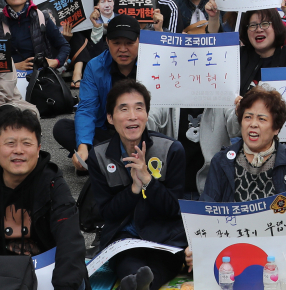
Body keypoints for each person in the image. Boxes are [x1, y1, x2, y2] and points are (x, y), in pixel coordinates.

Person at [192, 87, 286, 267]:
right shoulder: (221, 161)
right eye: (248, 117)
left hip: (277, 256)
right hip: (231, 253)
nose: (253, 124)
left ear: (276, 128)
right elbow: (207, 208)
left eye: (262, 119)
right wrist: (197, 243)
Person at [87, 80, 186, 290]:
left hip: (164, 234)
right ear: (110, 118)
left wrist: (148, 181)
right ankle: (136, 284)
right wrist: (133, 189)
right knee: (126, 260)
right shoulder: (98, 156)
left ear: (147, 115)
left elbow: (176, 210)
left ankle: (142, 286)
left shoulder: (171, 149)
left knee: (165, 261)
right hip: (124, 234)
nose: (132, 116)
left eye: (139, 108)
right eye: (124, 109)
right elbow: (107, 213)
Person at [0, 104, 87, 285]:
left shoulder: (52, 182)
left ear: (38, 149)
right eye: (10, 143)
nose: (18, 151)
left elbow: (69, 240)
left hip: (47, 273)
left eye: (26, 143)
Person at [53, 14, 142, 175]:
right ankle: (110, 161)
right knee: (62, 127)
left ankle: (104, 162)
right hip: (106, 132)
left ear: (139, 42)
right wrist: (83, 146)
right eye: (116, 43)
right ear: (107, 42)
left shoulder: (151, 63)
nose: (123, 49)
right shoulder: (95, 66)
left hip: (141, 132)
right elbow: (87, 108)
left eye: (129, 43)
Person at [0, 0, 69, 69]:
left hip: (39, 78)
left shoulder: (41, 17)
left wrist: (56, 62)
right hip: (7, 81)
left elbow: (64, 46)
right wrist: (13, 67)